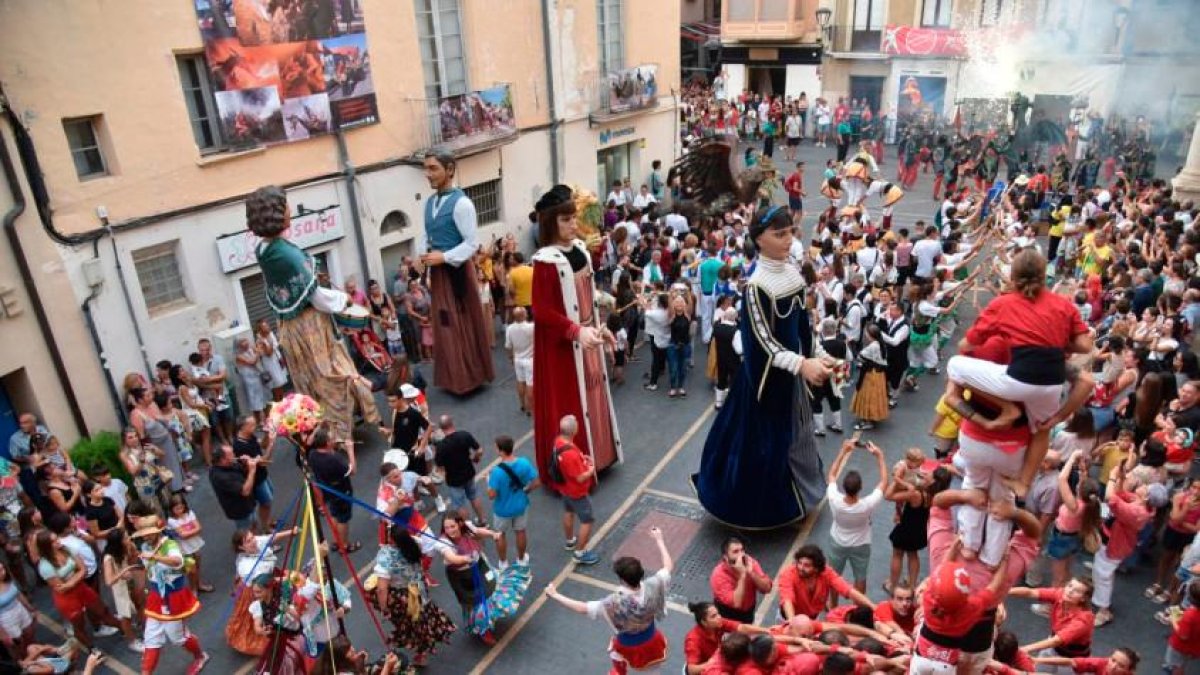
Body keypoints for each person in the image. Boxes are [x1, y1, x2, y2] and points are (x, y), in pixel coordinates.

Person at [693, 205, 831, 529]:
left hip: (791, 378)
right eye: (779, 234)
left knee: (798, 437)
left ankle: (802, 495)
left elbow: (803, 328)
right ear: (759, 239)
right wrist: (802, 364)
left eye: (789, 233)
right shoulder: (755, 287)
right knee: (766, 448)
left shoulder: (793, 274)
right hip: (764, 387)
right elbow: (762, 342)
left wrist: (818, 354)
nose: (787, 240)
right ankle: (770, 508)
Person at [248, 186, 378, 438]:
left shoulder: (264, 248)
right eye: (285, 206)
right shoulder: (287, 255)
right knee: (332, 374)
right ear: (275, 214)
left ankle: (322, 429)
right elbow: (318, 298)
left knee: (310, 380)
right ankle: (340, 430)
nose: (289, 210)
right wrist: (345, 300)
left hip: (290, 325)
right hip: (309, 325)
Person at [531, 185, 622, 484]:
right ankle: (575, 470)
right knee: (573, 401)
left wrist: (600, 325)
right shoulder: (545, 260)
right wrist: (575, 331)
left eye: (574, 218)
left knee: (595, 392)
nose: (574, 224)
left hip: (587, 335)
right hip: (563, 347)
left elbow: (584, 297)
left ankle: (601, 456)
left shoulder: (581, 250)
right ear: (551, 223)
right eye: (566, 220)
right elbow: (542, 311)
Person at [544, 526, 672, 674]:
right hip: (651, 640)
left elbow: (583, 608)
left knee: (618, 662)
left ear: (622, 580)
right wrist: (659, 540)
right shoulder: (654, 585)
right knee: (653, 671)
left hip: (627, 645)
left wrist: (555, 594)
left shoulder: (613, 602)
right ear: (641, 574)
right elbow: (668, 566)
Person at [419, 153, 495, 394]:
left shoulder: (462, 204)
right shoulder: (430, 203)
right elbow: (427, 236)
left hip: (457, 271)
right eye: (426, 169)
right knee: (444, 323)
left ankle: (469, 377)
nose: (428, 174)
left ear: (450, 170)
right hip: (439, 273)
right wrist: (422, 255)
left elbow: (472, 243)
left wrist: (443, 257)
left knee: (459, 321)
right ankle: (452, 377)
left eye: (433, 169)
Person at [131, 513, 208, 674]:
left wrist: (155, 557)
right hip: (156, 598)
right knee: (150, 639)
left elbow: (177, 561)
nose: (145, 537)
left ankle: (200, 656)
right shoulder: (145, 548)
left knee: (177, 638)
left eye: (148, 534)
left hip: (173, 598)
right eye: (143, 535)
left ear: (157, 531)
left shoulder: (169, 545)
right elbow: (148, 570)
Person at [369, 525, 456, 667]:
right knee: (421, 618)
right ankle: (423, 649)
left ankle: (420, 650)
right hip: (419, 588)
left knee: (409, 624)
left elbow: (381, 589)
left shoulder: (387, 557)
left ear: (392, 540)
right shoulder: (416, 543)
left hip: (403, 597)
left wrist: (384, 608)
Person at [438, 515, 531, 646]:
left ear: (459, 524)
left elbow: (477, 531)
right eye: (446, 527)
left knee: (494, 587)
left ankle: (490, 617)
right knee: (477, 604)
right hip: (463, 578)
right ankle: (484, 631)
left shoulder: (467, 528)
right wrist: (465, 559)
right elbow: (451, 558)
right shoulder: (443, 542)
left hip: (480, 567)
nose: (449, 530)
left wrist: (492, 534)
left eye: (452, 526)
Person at [824, 440, 887, 596]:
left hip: (838, 542)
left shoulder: (834, 499)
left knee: (834, 576)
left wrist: (843, 450)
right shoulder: (867, 505)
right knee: (860, 577)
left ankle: (832, 605)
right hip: (861, 544)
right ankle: (858, 606)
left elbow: (831, 475)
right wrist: (880, 456)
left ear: (844, 488)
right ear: (860, 488)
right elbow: (884, 482)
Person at [1007, 577, 1095, 672]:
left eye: (1077, 591)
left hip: (1071, 660)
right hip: (1053, 648)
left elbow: (1057, 640)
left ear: (1083, 598)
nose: (1070, 591)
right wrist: (1004, 591)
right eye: (1070, 586)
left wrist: (1026, 649)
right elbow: (1030, 592)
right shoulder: (1060, 594)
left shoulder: (1083, 619)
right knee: (1038, 671)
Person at [379, 385, 444, 513]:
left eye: (393, 401)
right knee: (406, 479)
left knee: (425, 479)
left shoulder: (413, 413)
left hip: (413, 453)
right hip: (399, 455)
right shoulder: (395, 413)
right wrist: (387, 432)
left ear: (401, 399)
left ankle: (438, 498)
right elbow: (397, 432)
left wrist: (422, 445)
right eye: (388, 401)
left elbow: (430, 426)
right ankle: (418, 500)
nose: (390, 404)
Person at [777, 544, 874, 620]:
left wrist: (873, 606)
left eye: (807, 565)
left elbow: (847, 589)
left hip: (814, 617)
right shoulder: (787, 574)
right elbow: (787, 599)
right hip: (789, 618)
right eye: (799, 563)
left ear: (816, 568)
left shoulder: (826, 572)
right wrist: (792, 622)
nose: (801, 567)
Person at [550, 415, 599, 565]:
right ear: (574, 431)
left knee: (569, 512)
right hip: (577, 493)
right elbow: (580, 478)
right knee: (587, 520)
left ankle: (570, 540)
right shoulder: (570, 454)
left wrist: (581, 458)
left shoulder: (558, 441)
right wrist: (591, 469)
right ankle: (579, 553)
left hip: (564, 489)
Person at [307, 427, 361, 554]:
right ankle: (344, 546)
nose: (335, 440)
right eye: (332, 438)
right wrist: (350, 450)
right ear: (327, 443)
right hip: (340, 491)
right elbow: (353, 471)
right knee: (343, 518)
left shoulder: (313, 454)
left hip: (327, 490)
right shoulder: (334, 459)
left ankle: (337, 541)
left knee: (334, 513)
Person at [487, 435, 538, 568]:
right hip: (521, 505)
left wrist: (488, 481)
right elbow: (536, 482)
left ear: (501, 451)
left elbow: (491, 495)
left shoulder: (496, 472)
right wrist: (527, 490)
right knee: (520, 531)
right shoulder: (524, 463)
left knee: (500, 534)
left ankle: (503, 562)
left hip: (502, 509)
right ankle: (521, 559)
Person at [683, 601, 768, 675]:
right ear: (704, 622)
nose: (719, 617)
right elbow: (692, 670)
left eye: (718, 613)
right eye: (713, 616)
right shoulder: (693, 640)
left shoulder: (718, 623)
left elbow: (742, 628)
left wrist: (767, 630)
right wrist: (714, 662)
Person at [432, 414, 486, 525]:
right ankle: (483, 520)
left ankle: (468, 527)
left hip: (454, 480)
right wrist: (475, 458)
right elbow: (479, 450)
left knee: (459, 504)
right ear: (452, 424)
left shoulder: (441, 446)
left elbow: (439, 467)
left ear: (441, 429)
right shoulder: (464, 435)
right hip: (469, 473)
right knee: (474, 496)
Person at [709, 536, 772, 623]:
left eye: (742, 550)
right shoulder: (718, 575)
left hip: (748, 611)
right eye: (735, 552)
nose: (741, 555)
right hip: (728, 613)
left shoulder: (750, 562)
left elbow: (767, 588)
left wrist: (751, 573)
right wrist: (742, 575)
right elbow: (736, 604)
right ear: (725, 557)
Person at [231, 415, 274, 533]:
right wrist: (271, 444)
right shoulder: (240, 446)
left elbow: (261, 445)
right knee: (266, 501)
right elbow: (263, 463)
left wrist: (266, 436)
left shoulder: (250, 436)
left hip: (262, 475)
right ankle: (266, 527)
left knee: (269, 497)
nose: (255, 427)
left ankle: (267, 520)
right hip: (256, 480)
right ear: (243, 427)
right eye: (252, 425)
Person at [208, 443, 262, 531]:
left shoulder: (230, 464)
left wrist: (245, 464)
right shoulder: (219, 476)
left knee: (254, 523)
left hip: (249, 503)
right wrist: (252, 470)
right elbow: (245, 491)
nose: (235, 455)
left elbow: (243, 473)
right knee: (245, 534)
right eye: (231, 454)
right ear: (222, 460)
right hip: (239, 511)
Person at [165, 495, 211, 595]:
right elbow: (184, 535)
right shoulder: (172, 521)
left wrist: (189, 532)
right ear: (171, 509)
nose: (180, 510)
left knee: (197, 565)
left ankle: (199, 584)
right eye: (177, 508)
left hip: (194, 544)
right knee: (191, 569)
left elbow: (199, 528)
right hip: (184, 548)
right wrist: (193, 531)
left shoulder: (190, 513)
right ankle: (193, 588)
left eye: (181, 507)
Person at [505, 306, 535, 414]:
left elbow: (508, 346)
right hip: (530, 359)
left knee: (520, 382)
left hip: (517, 359)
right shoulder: (531, 327)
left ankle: (522, 404)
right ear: (524, 315)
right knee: (530, 384)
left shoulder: (510, 329)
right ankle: (529, 408)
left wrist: (511, 358)